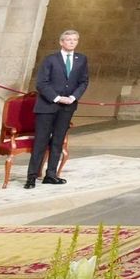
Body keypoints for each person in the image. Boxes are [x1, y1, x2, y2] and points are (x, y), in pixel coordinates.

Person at [27, 29, 88, 189]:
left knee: (58, 141)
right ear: (61, 42)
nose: (72, 42)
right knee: (41, 141)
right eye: (68, 40)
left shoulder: (81, 59)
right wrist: (57, 98)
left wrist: (73, 98)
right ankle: (32, 176)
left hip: (67, 107)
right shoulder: (50, 59)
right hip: (48, 105)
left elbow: (83, 81)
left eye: (75, 40)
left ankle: (51, 174)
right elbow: (42, 83)